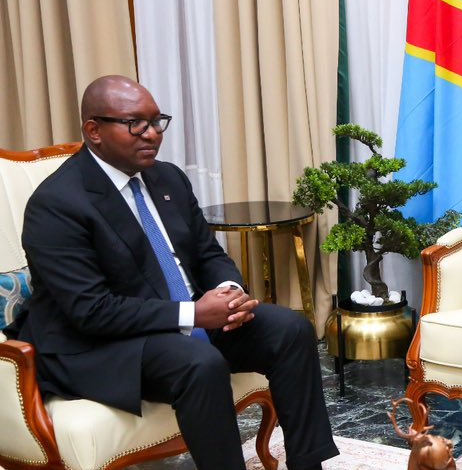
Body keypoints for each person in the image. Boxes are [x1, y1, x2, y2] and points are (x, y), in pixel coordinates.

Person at [9, 76, 338, 470]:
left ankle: (308, 464)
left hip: (178, 320)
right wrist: (195, 314)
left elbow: (205, 252)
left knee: (289, 329)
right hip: (100, 343)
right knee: (198, 362)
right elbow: (90, 310)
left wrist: (228, 291)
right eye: (136, 124)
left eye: (157, 121)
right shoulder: (57, 204)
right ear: (93, 131)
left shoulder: (167, 178)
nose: (152, 135)